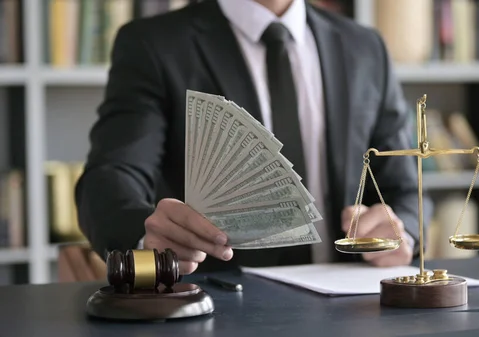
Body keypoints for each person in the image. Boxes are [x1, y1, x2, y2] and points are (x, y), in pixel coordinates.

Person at [75, 0, 433, 275]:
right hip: (219, 305)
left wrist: (403, 230)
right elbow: (109, 177)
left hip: (351, 309)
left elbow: (405, 187)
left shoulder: (365, 47)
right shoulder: (154, 45)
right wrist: (144, 236)